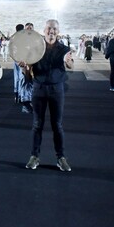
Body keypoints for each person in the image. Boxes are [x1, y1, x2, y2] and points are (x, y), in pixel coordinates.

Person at [22, 19, 74, 172]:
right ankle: (34, 156)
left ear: (58, 31)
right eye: (49, 29)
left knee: (57, 125)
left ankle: (61, 157)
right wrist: (25, 68)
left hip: (57, 90)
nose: (51, 31)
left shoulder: (65, 49)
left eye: (55, 29)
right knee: (37, 124)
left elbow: (71, 66)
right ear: (43, 30)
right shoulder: (35, 48)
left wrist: (68, 61)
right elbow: (28, 77)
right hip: (38, 90)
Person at [18, 22, 35, 113]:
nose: (29, 29)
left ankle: (32, 101)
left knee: (33, 83)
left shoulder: (37, 40)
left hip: (34, 64)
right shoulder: (21, 40)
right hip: (24, 64)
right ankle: (25, 103)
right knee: (24, 82)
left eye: (30, 28)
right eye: (27, 28)